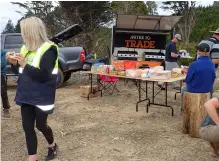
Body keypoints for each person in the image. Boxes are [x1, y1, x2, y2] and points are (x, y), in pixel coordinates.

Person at [6, 17, 58, 161]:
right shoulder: (25, 48)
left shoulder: (50, 49)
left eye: (24, 31)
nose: (23, 35)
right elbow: (20, 73)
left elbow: (43, 75)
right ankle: (32, 158)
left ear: (32, 32)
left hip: (42, 95)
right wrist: (14, 64)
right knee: (28, 127)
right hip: (26, 94)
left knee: (41, 125)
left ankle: (52, 145)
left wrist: (23, 64)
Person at [180, 43, 216, 111]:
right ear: (209, 52)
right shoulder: (212, 64)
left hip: (195, 90)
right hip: (208, 90)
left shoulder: (194, 64)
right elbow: (213, 77)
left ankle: (183, 109)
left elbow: (188, 80)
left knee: (183, 89)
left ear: (198, 52)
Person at [1, 50, 10, 118]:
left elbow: (2, 64)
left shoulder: (3, 52)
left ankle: (6, 108)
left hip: (1, 74)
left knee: (3, 92)